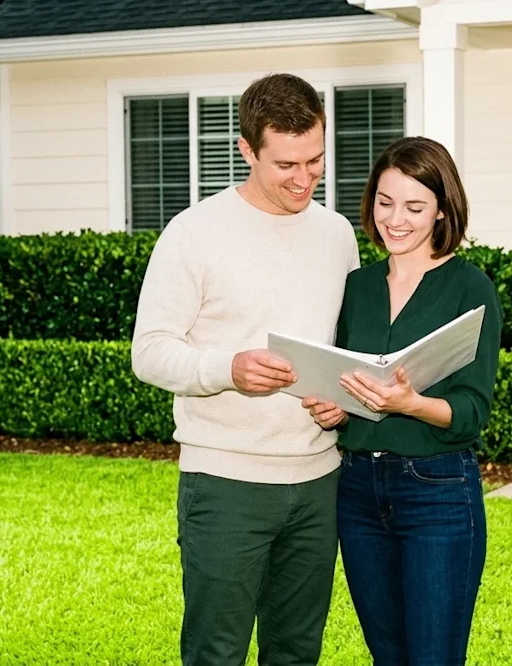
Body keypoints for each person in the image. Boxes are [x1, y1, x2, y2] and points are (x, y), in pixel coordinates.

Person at [131, 72, 359, 666]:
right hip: (224, 485)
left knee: (296, 653)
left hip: (318, 484)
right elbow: (149, 351)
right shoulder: (193, 233)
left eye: (315, 160)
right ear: (247, 150)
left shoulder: (337, 235)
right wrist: (226, 368)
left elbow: (341, 348)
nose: (305, 178)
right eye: (286, 164)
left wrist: (343, 399)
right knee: (217, 654)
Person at [302, 136, 503, 666]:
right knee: (387, 656)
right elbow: (344, 380)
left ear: (441, 211)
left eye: (415, 207)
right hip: (358, 490)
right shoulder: (357, 287)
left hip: (437, 490)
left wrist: (411, 403)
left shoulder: (470, 288)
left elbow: (472, 411)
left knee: (433, 657)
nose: (396, 219)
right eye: (384, 202)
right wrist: (336, 408)